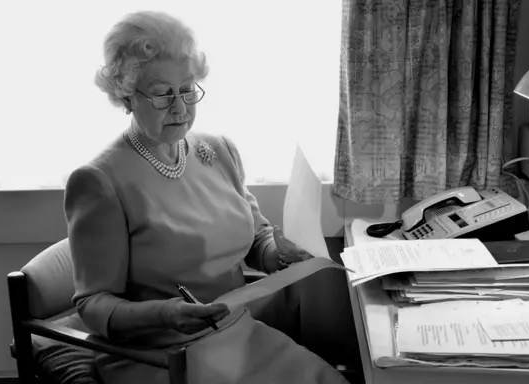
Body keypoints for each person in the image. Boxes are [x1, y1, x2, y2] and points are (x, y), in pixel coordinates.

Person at [63, 10, 349, 384]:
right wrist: (167, 314)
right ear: (127, 95)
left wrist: (278, 254)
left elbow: (255, 239)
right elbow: (94, 304)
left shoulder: (219, 150)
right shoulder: (99, 181)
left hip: (236, 332)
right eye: (163, 94)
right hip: (161, 354)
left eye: (187, 88)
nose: (180, 107)